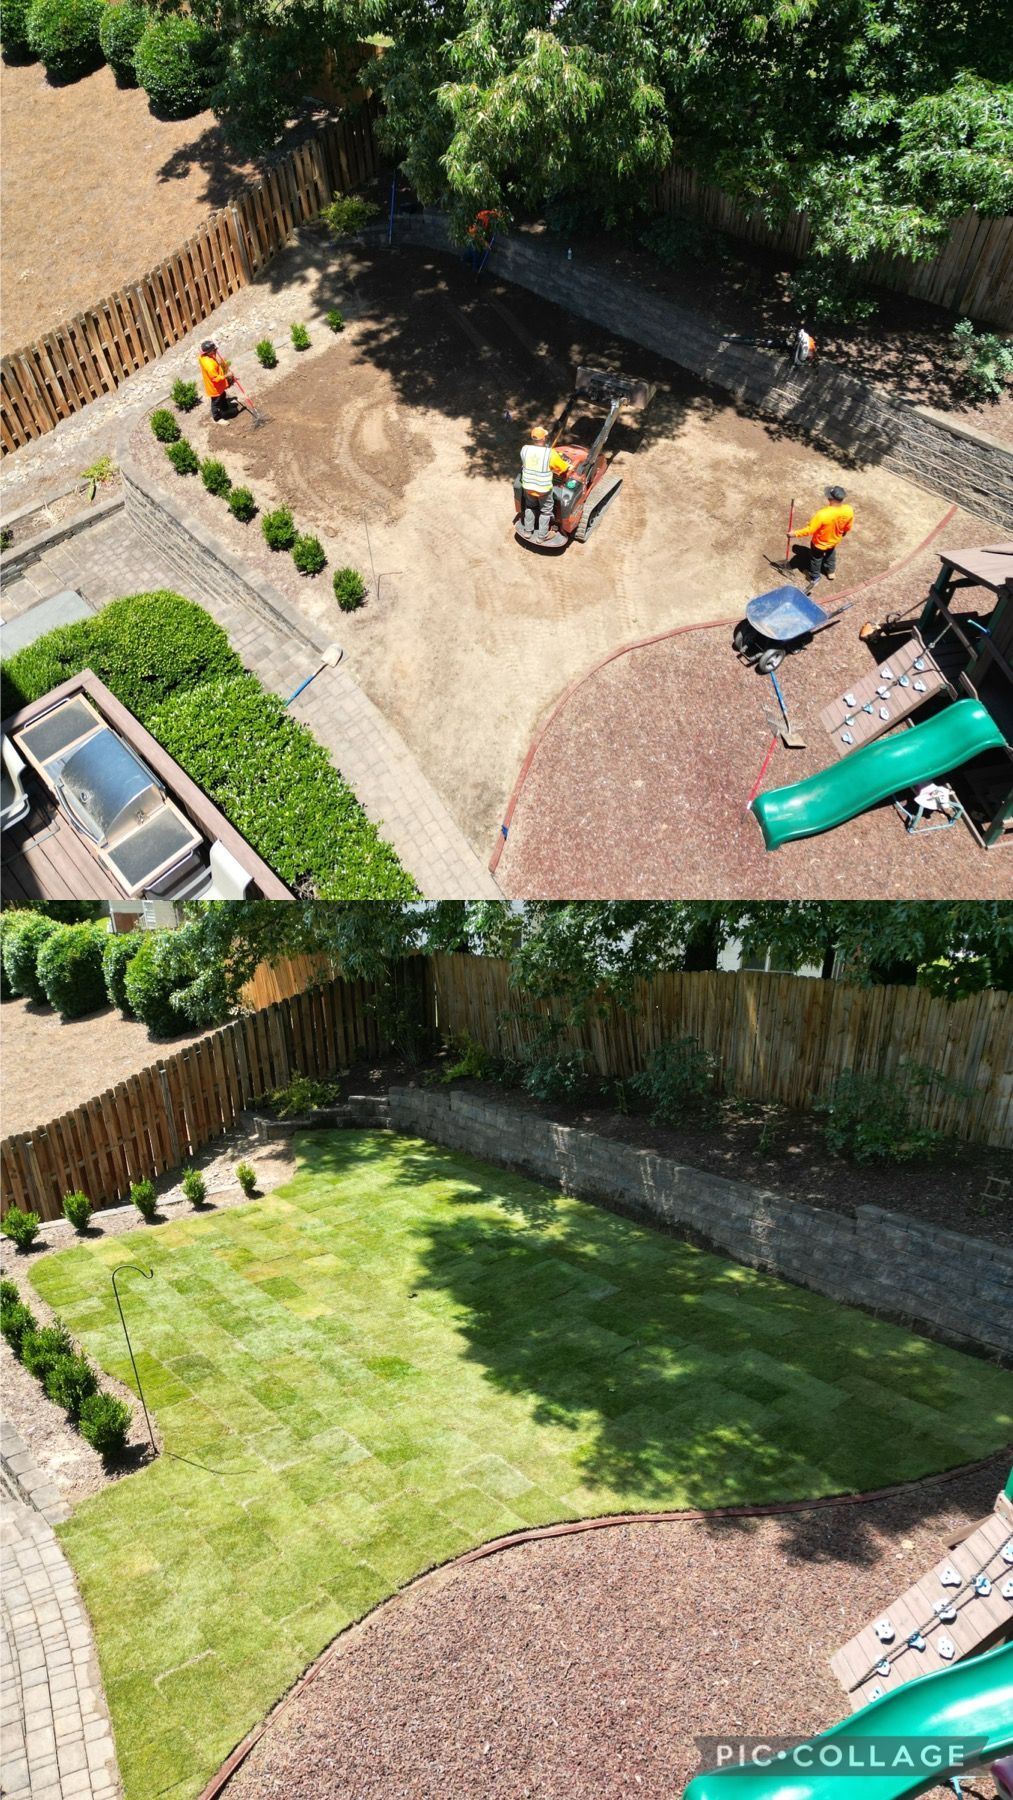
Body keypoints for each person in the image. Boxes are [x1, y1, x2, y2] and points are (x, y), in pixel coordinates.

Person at [789, 485, 854, 588]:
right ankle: (831, 572)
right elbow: (848, 527)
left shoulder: (822, 514)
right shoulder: (849, 510)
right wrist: (840, 534)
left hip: (819, 544)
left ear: (830, 498)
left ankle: (815, 577)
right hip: (834, 541)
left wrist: (794, 534)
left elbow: (810, 530)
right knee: (830, 554)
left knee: (816, 560)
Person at [519, 426, 571, 540]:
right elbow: (562, 468)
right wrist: (568, 465)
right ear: (543, 439)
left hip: (528, 486)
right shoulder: (550, 453)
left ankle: (528, 532)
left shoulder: (525, 449)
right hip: (543, 489)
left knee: (530, 506)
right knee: (546, 511)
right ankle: (541, 536)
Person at [198, 339, 233, 421]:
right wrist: (227, 375)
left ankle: (225, 409)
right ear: (209, 352)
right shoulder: (209, 365)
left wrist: (215, 355)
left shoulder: (203, 356)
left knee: (223, 395)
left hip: (218, 386)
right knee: (216, 402)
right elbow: (215, 378)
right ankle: (217, 418)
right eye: (214, 350)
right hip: (214, 387)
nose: (216, 351)